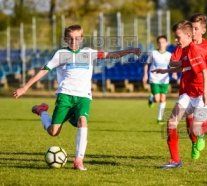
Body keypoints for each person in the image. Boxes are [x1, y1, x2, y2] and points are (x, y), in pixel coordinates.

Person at [13, 24, 141, 170]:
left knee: (82, 121)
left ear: (82, 39)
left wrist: (130, 50)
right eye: (71, 38)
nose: (74, 41)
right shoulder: (60, 54)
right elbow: (44, 70)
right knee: (53, 132)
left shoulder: (89, 53)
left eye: (77, 38)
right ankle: (42, 110)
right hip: (65, 96)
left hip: (83, 97)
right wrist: (24, 87)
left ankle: (78, 160)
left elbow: (110, 55)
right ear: (66, 39)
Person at [152, 20, 207, 169]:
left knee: (196, 130)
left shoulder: (194, 51)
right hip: (188, 94)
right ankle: (175, 160)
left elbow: (204, 72)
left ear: (189, 35)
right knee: (171, 122)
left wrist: (206, 93)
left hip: (202, 94)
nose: (176, 40)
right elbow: (183, 66)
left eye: (178, 37)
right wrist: (165, 71)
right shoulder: (183, 49)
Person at [170, 13, 207, 160]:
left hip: (203, 90)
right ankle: (191, 146)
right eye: (191, 28)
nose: (193, 32)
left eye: (196, 28)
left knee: (195, 127)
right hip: (187, 89)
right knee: (188, 125)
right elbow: (174, 62)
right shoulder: (183, 45)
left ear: (202, 30)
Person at [142, 35, 177, 125]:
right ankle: (151, 98)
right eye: (159, 42)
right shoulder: (153, 53)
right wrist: (145, 75)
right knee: (157, 99)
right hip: (154, 79)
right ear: (157, 44)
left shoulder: (169, 55)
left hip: (164, 79)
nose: (161, 44)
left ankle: (159, 119)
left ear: (166, 43)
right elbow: (146, 64)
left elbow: (172, 66)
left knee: (163, 99)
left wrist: (174, 73)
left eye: (163, 42)